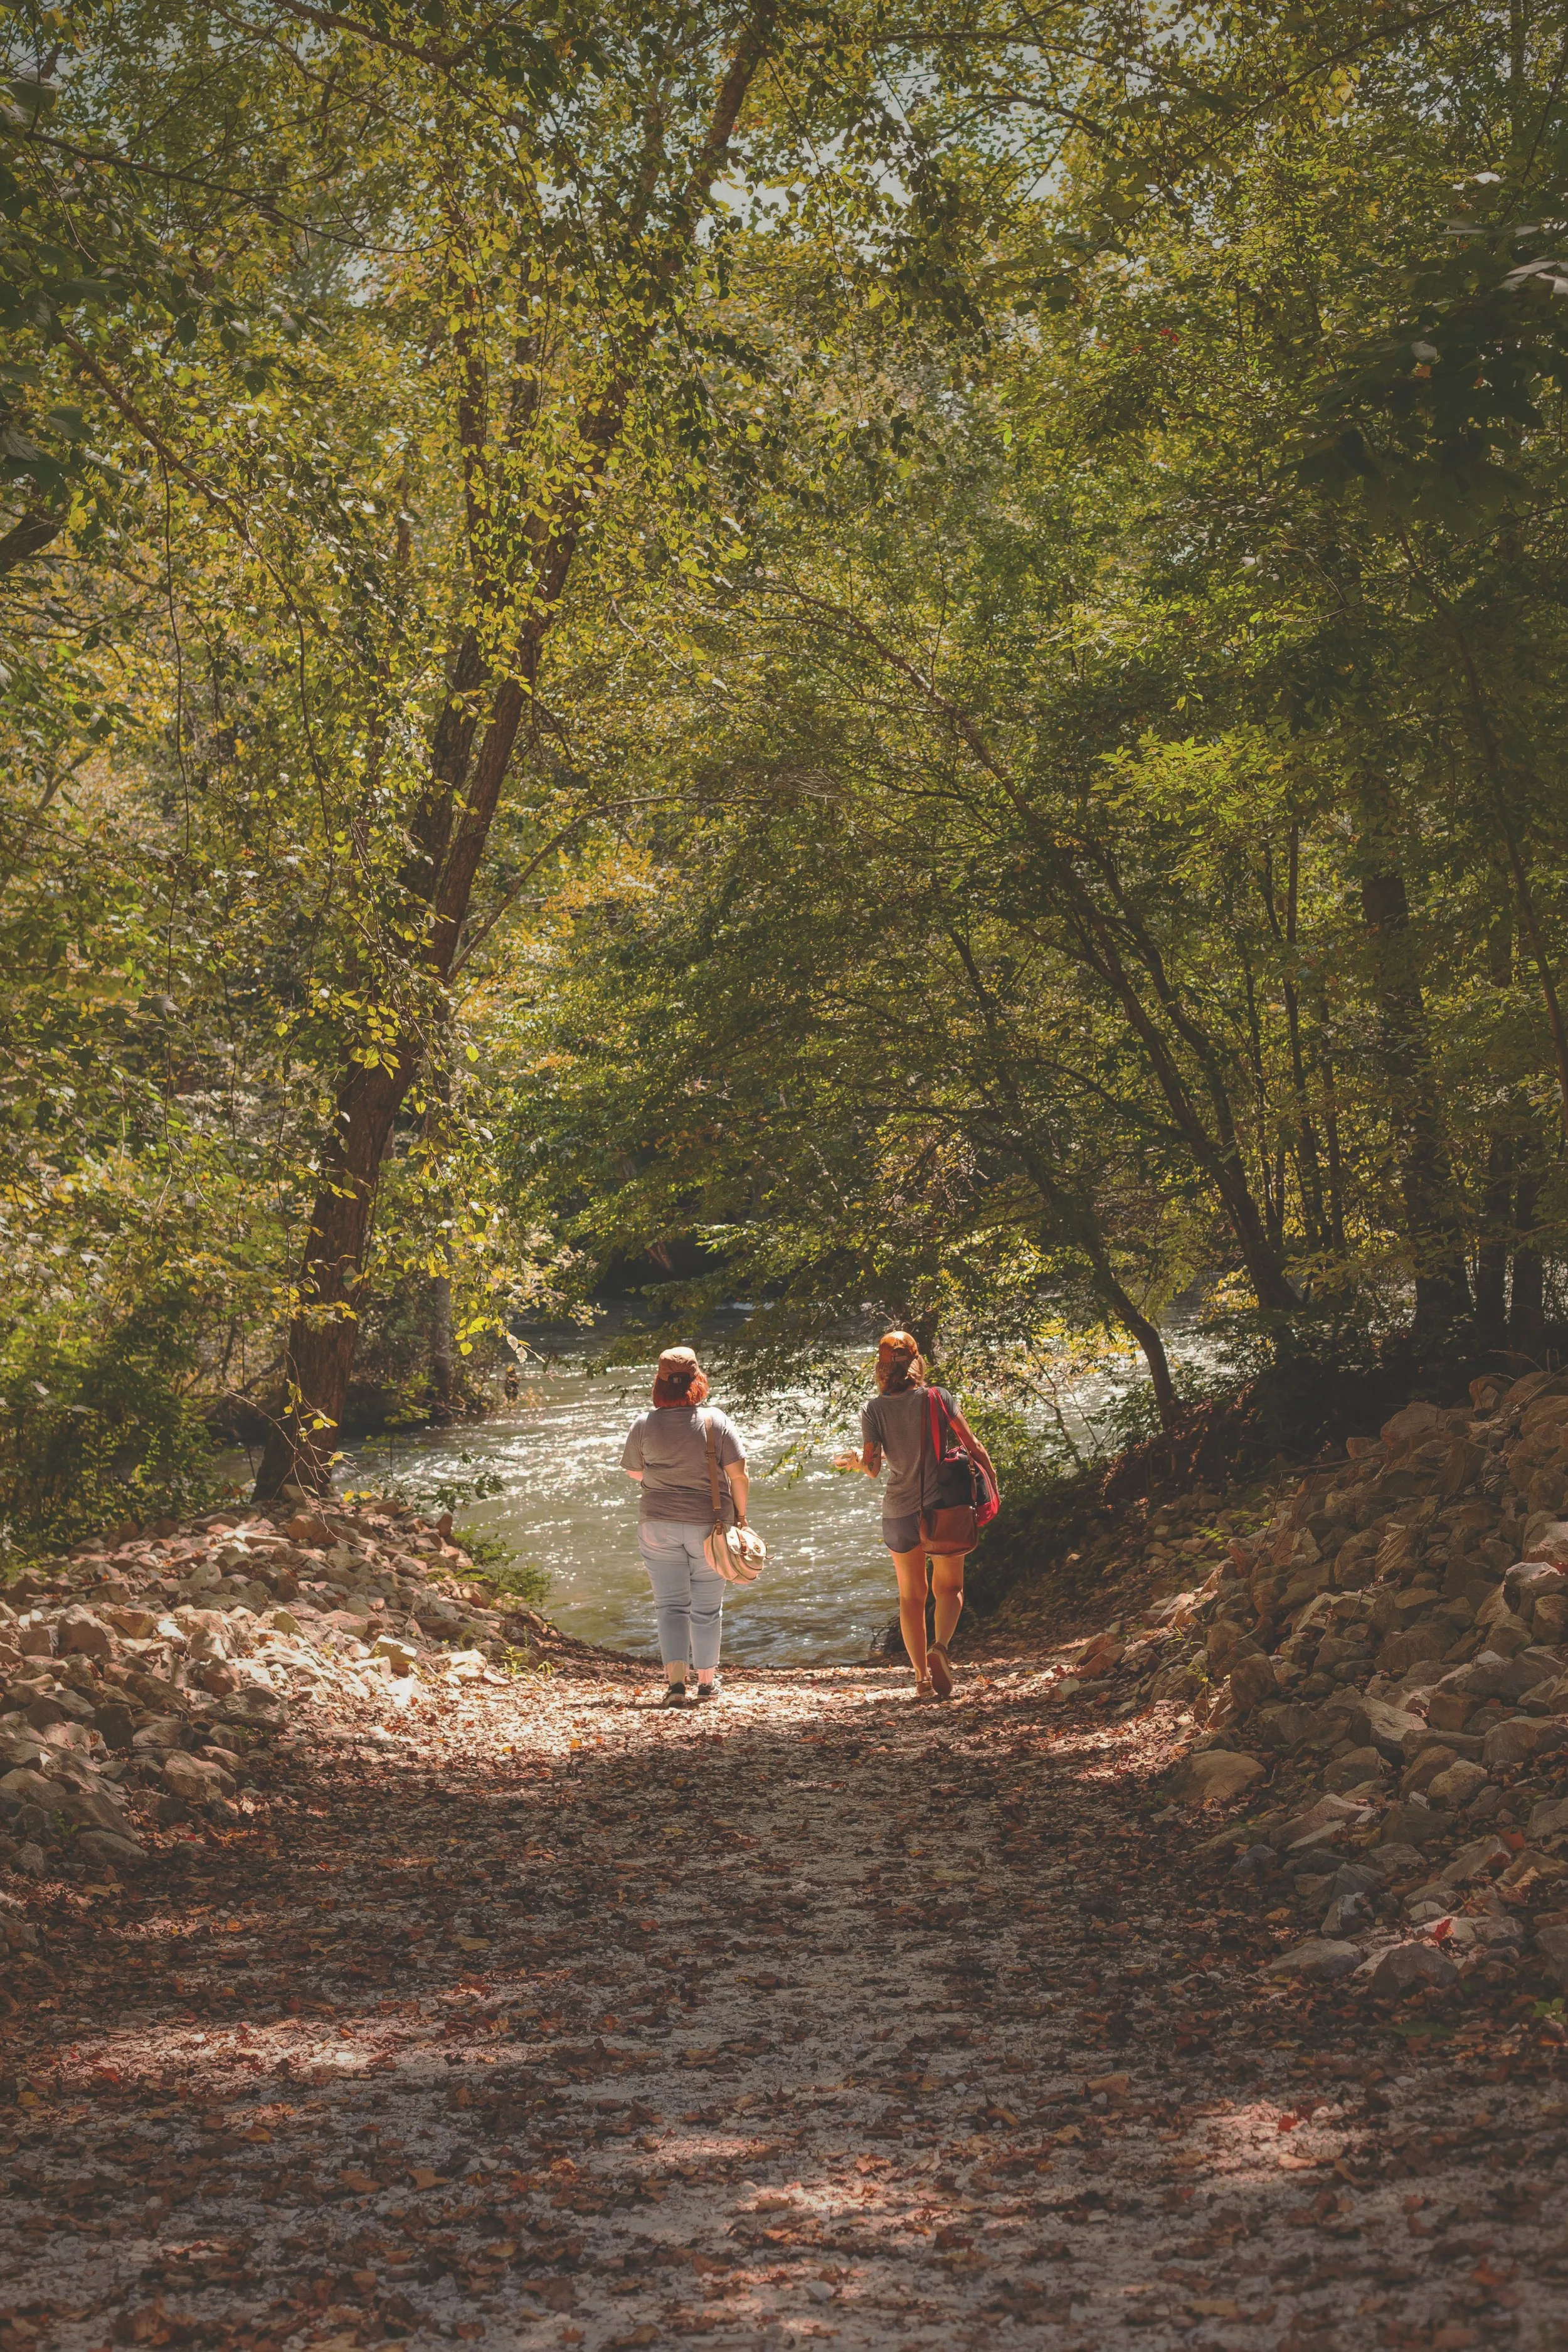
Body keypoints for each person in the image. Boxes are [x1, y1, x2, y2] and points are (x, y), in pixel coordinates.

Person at [834, 1330, 996, 1702]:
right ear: (916, 1362)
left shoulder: (874, 1409)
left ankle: (921, 1678)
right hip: (943, 1508)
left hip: (899, 1512)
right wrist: (992, 1482)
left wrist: (856, 1463)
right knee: (950, 1588)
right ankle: (939, 1647)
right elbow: (971, 1445)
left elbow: (874, 1469)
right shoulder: (939, 1398)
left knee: (911, 1597)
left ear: (881, 1366)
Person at [622, 1346, 749, 1707]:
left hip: (657, 1523)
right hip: (709, 1525)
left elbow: (634, 1471)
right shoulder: (715, 1422)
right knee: (707, 1608)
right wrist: (741, 1518)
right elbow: (739, 1475)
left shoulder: (644, 1423)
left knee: (670, 1606)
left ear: (660, 1384)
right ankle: (707, 1682)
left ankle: (676, 1686)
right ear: (698, 1382)